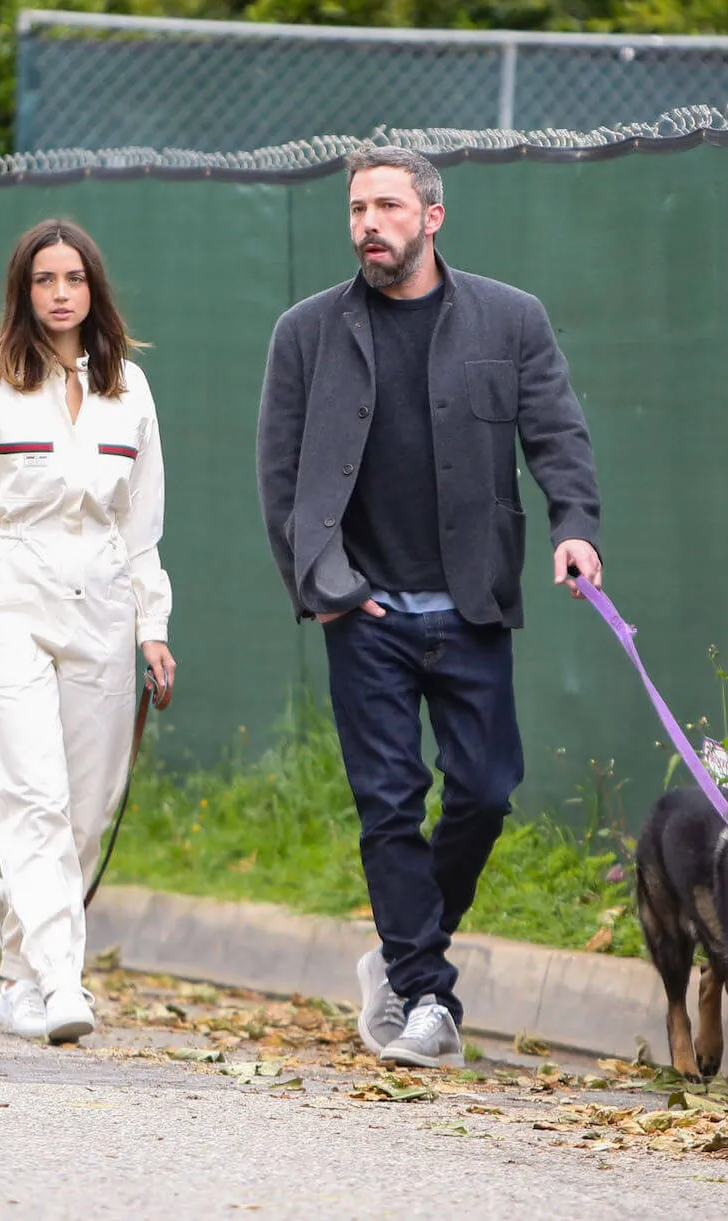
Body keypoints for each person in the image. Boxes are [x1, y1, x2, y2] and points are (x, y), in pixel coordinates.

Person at [256, 146, 602, 1068]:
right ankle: (426, 993)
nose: (370, 223)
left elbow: (557, 433)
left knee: (486, 789)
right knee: (389, 803)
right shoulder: (307, 332)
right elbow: (280, 475)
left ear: (432, 216)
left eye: (389, 207)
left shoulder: (509, 319)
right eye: (358, 208)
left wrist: (576, 527)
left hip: (472, 600)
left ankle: (408, 947)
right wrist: (319, 587)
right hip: (362, 609)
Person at [0, 218, 175, 1044]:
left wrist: (154, 625)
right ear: (22, 293)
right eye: (43, 280)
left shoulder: (129, 389)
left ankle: (21, 978)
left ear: (94, 290)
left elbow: (142, 527)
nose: (60, 294)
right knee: (33, 794)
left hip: (103, 601)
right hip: (10, 598)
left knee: (87, 809)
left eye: (74, 279)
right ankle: (63, 984)